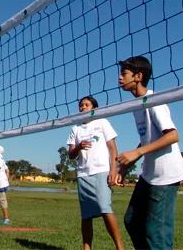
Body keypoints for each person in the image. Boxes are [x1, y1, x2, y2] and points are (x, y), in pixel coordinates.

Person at [115, 55, 183, 249]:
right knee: (132, 221)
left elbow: (172, 135)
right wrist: (124, 168)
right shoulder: (137, 105)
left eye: (124, 74)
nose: (119, 78)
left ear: (138, 76)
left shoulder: (153, 100)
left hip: (165, 175)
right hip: (149, 174)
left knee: (156, 232)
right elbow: (146, 138)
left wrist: (137, 154)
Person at [67, 96, 124, 250]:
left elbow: (112, 148)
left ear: (93, 108)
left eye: (86, 105)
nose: (83, 107)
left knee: (105, 208)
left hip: (101, 171)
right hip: (83, 174)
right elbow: (71, 154)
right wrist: (79, 147)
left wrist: (114, 170)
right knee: (86, 216)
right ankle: (87, 247)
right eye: (81, 105)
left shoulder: (102, 122)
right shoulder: (75, 128)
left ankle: (120, 247)